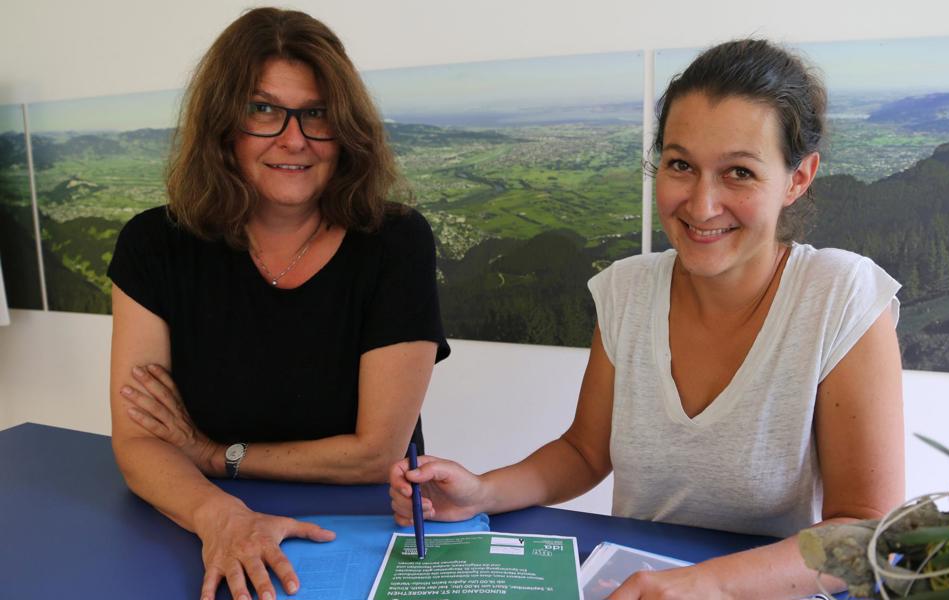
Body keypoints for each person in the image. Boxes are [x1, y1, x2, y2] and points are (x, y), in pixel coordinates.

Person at [389, 39, 904, 599]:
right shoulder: (628, 290)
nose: (701, 205)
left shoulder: (840, 295)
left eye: (738, 172)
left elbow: (865, 531)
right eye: (681, 165)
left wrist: (703, 586)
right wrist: (481, 492)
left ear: (798, 178)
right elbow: (584, 452)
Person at [107, 8, 449, 600]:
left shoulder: (394, 242)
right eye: (263, 110)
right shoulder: (153, 245)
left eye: (317, 113)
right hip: (194, 522)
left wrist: (213, 455)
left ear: (346, 129)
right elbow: (139, 439)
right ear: (222, 126)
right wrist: (219, 515)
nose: (294, 139)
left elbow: (374, 456)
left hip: (358, 529)